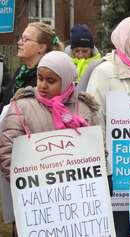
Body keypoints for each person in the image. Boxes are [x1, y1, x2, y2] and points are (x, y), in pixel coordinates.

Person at [0, 51, 100, 236]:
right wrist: (35, 187)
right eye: (40, 78)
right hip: (36, 207)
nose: (43, 85)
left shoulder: (85, 108)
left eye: (51, 80)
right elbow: (7, 154)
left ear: (67, 80)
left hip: (76, 208)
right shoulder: (21, 107)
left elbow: (99, 153)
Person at [85, 16, 130, 237]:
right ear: (126, 40)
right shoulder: (105, 72)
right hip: (118, 171)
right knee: (122, 226)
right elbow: (94, 118)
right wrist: (104, 164)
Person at [11, 22, 64, 95]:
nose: (19, 42)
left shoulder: (46, 78)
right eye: (21, 38)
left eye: (26, 39)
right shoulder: (21, 72)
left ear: (41, 47)